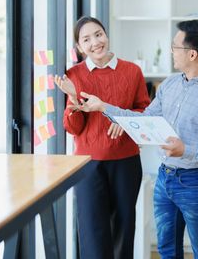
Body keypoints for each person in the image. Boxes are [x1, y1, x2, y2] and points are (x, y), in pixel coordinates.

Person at [72, 19, 198, 259]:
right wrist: (103, 107)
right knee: (167, 250)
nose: (171, 51)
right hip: (165, 178)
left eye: (175, 46)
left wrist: (187, 151)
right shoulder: (170, 85)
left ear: (192, 54)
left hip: (197, 182)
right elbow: (144, 119)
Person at [54, 16, 150, 259]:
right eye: (86, 39)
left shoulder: (132, 71)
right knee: (92, 231)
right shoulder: (73, 76)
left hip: (126, 162)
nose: (95, 42)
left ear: (106, 34)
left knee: (123, 230)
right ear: (79, 47)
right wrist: (74, 99)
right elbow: (73, 128)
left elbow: (144, 111)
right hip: (88, 166)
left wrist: (125, 122)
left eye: (98, 34)